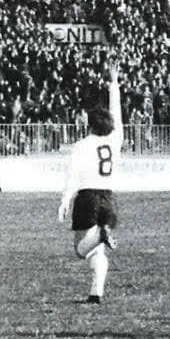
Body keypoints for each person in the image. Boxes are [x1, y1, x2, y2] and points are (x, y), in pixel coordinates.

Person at [58, 66, 125, 304]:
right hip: (109, 197)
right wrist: (114, 83)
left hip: (87, 197)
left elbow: (72, 176)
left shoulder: (81, 145)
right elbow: (117, 113)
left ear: (90, 125)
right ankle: (96, 292)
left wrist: (65, 200)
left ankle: (101, 235)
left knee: (81, 250)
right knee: (98, 253)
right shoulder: (116, 139)